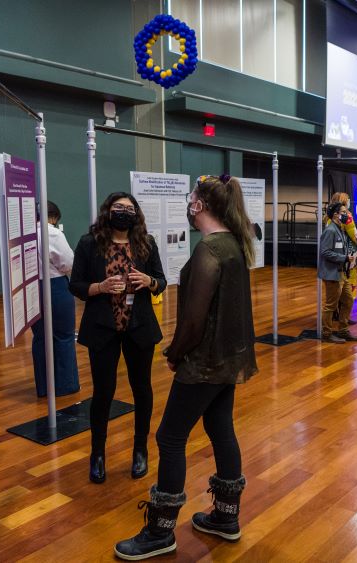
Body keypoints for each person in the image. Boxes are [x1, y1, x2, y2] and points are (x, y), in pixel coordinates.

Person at [114, 175, 258, 560]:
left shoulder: (209, 250)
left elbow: (194, 321)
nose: (189, 201)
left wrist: (175, 352)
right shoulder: (233, 244)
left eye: (193, 196)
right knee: (219, 426)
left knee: (170, 437)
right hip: (227, 359)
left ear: (202, 205)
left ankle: (161, 531)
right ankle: (226, 518)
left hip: (205, 363)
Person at [69, 192, 166, 484]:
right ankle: (97, 454)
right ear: (107, 211)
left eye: (128, 208)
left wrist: (149, 282)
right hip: (102, 327)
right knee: (103, 392)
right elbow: (76, 284)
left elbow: (161, 280)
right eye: (117, 207)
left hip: (139, 327)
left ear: (136, 214)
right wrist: (99, 287)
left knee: (142, 389)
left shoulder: (146, 244)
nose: (123, 212)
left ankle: (140, 449)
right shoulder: (89, 243)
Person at [31, 201, 79, 398]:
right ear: (53, 216)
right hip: (55, 286)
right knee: (63, 336)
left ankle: (44, 387)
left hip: (33, 288)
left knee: (40, 337)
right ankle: (65, 386)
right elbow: (68, 263)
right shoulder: (53, 233)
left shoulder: (22, 233)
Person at [318, 202, 357, 343]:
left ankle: (343, 330)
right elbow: (324, 252)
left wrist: (352, 255)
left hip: (342, 273)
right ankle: (326, 334)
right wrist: (345, 258)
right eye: (344, 212)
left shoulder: (341, 229)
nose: (347, 214)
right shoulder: (330, 230)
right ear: (336, 214)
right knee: (331, 305)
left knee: (348, 300)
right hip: (332, 274)